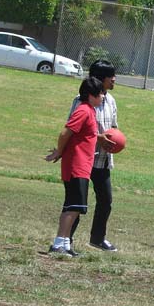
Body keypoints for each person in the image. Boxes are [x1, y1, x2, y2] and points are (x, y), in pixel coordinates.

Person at [45, 77, 104, 257]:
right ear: (91, 95)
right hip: (76, 165)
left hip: (83, 166)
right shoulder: (83, 110)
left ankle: (64, 244)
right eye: (100, 93)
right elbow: (65, 133)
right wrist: (59, 151)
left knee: (74, 206)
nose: (103, 96)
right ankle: (58, 244)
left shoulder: (91, 111)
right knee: (73, 207)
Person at [68, 59, 120, 252]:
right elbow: (73, 128)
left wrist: (116, 139)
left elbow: (113, 127)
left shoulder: (111, 100)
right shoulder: (81, 99)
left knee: (106, 200)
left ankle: (98, 238)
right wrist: (99, 138)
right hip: (83, 158)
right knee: (78, 201)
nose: (114, 79)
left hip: (102, 159)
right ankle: (66, 239)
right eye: (111, 76)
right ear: (101, 78)